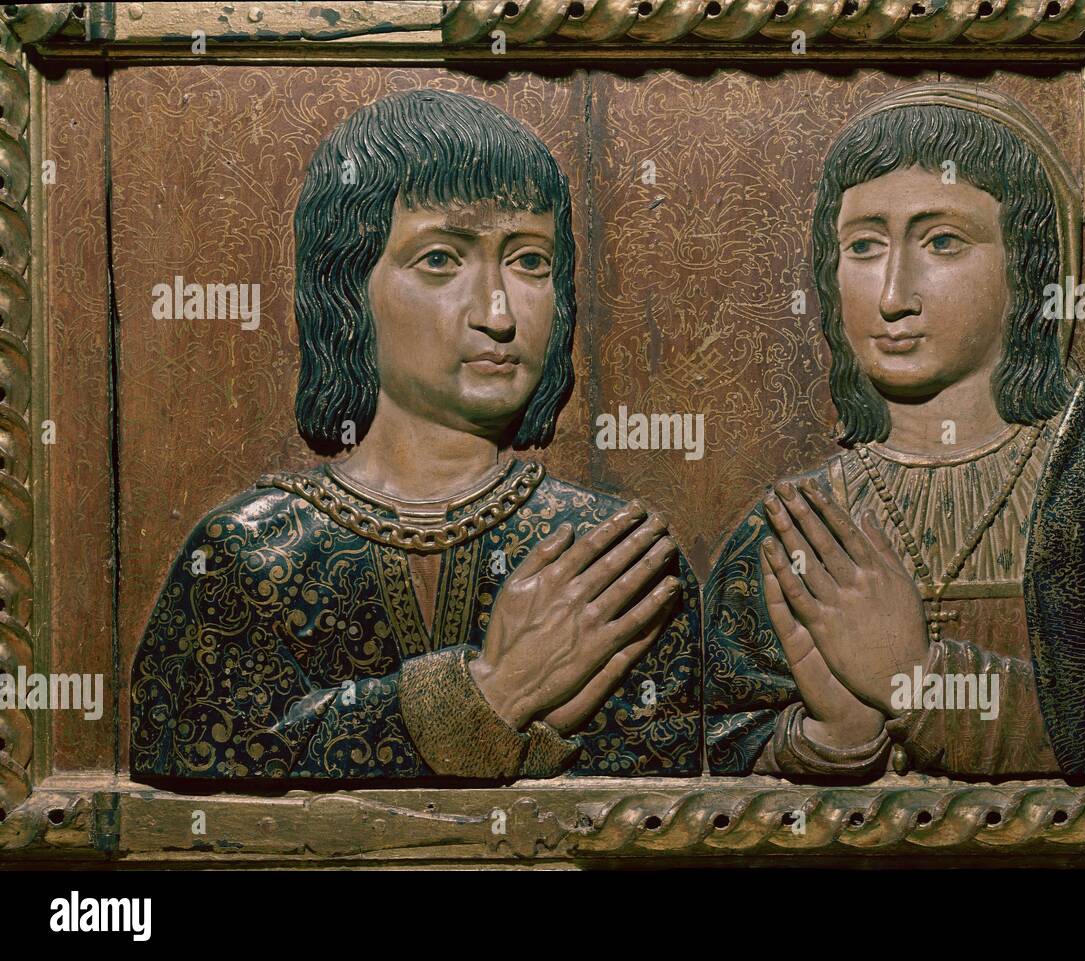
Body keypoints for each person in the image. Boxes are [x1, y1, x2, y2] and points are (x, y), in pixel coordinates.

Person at [131, 89, 701, 782]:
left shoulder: (613, 564)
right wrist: (493, 693)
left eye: (529, 262)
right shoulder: (247, 557)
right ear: (346, 284)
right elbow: (196, 777)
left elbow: (654, 815)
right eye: (440, 259)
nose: (496, 312)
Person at [705, 84, 1085, 781]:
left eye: (943, 241)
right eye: (864, 245)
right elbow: (711, 773)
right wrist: (835, 733)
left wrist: (918, 682)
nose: (894, 294)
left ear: (1027, 266)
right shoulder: (783, 537)